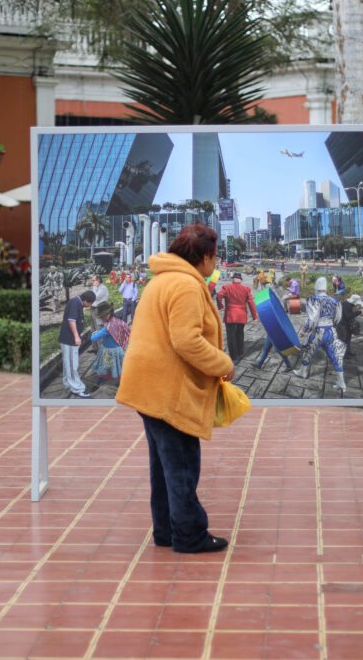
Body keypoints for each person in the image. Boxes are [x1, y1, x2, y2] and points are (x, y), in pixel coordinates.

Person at [115, 224, 235, 554]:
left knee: (164, 465)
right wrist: (223, 364)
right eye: (215, 255)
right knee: (181, 463)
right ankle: (189, 535)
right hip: (168, 388)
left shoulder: (162, 279)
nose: (217, 261)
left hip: (149, 385)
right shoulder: (185, 285)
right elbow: (187, 341)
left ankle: (166, 530)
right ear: (206, 257)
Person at [293, 277, 347, 391]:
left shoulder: (314, 300)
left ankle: (303, 372)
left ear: (316, 288)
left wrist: (305, 330)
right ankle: (341, 383)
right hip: (331, 331)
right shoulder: (334, 301)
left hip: (319, 332)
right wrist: (331, 324)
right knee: (336, 356)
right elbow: (338, 318)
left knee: (308, 351)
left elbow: (312, 319)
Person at [59, 290, 97, 399]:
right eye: (90, 303)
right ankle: (77, 389)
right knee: (72, 364)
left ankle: (67, 384)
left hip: (69, 339)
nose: (89, 306)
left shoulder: (76, 302)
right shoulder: (75, 303)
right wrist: (76, 336)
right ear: (86, 301)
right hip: (70, 339)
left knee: (68, 363)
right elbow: (71, 320)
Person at [216, 271, 258, 361]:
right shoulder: (246, 289)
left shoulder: (226, 288)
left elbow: (219, 296)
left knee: (231, 336)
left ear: (232, 280)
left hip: (230, 315)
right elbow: (251, 303)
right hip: (241, 315)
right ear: (241, 280)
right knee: (240, 334)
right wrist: (255, 317)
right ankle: (240, 353)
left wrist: (221, 306)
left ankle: (233, 356)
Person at [90, 301, 130, 381]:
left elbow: (93, 338)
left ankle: (99, 382)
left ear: (109, 313)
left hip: (107, 351)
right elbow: (128, 331)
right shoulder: (118, 321)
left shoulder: (107, 328)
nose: (103, 318)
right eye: (101, 317)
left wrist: (94, 333)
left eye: (104, 316)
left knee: (104, 367)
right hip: (119, 350)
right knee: (120, 368)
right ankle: (123, 383)